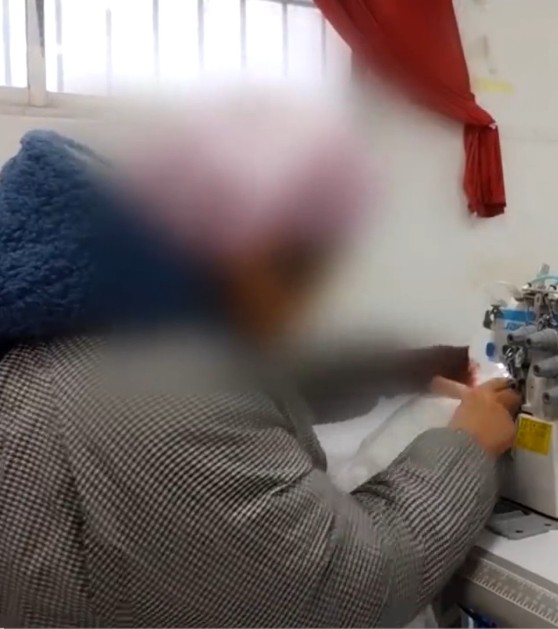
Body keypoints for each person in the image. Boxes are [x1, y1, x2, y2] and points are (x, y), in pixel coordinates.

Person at [0, 100, 521, 627]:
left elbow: (250, 378)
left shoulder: (72, 316)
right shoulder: (164, 397)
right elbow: (354, 587)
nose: (303, 304)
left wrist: (397, 370)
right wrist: (467, 448)